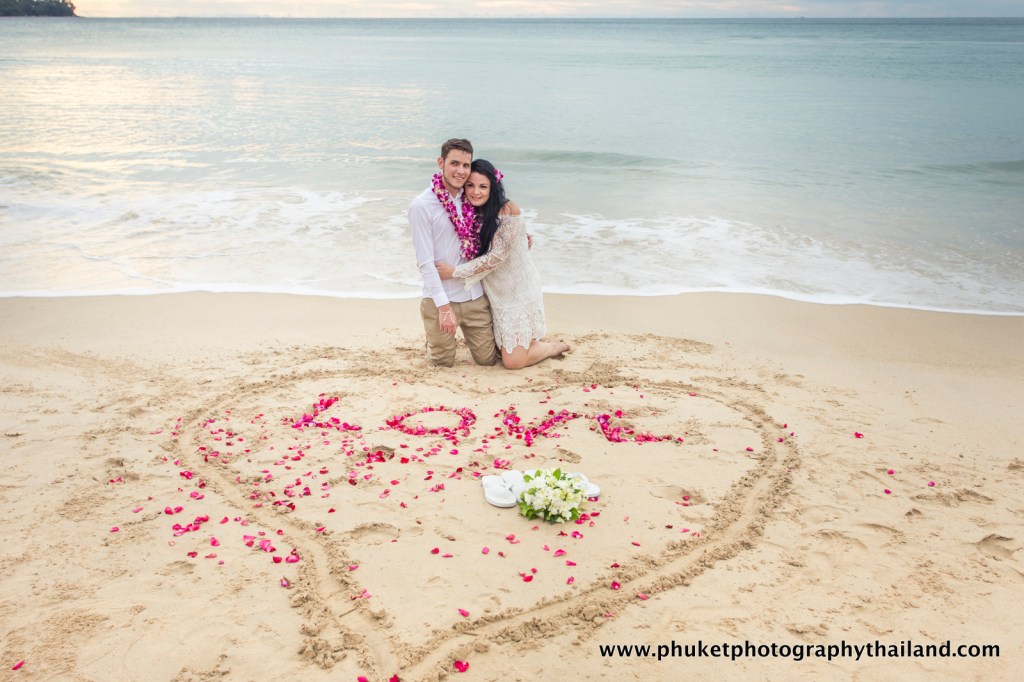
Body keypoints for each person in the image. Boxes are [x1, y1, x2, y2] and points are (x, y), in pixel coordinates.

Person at [436, 160, 570, 369]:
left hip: (517, 290)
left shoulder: (507, 210)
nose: (476, 192)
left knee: (512, 362)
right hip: (494, 292)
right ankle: (531, 345)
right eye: (470, 185)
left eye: (483, 186)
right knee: (500, 350)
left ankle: (553, 347)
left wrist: (455, 272)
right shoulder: (470, 211)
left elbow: (496, 257)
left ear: (493, 186)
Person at [409, 139, 498, 367]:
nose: (461, 171)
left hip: (473, 297)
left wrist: (520, 238)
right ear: (441, 163)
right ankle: (434, 340)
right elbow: (426, 263)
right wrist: (444, 308)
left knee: (487, 360)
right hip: (440, 300)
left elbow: (497, 220)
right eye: (454, 163)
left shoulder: (471, 197)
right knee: (443, 362)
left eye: (466, 165)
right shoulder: (422, 205)